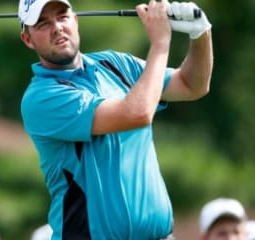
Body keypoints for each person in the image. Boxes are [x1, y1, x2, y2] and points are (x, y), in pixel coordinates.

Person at [18, 0, 213, 239]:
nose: (57, 27)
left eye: (62, 17)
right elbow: (137, 114)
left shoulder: (115, 64)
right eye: (42, 24)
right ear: (28, 40)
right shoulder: (41, 97)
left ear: (75, 20)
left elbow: (191, 85)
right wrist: (160, 44)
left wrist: (200, 33)